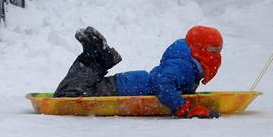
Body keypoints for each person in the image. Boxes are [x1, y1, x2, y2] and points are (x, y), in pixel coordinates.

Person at [53, 25, 223, 119]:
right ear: (198, 48)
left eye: (219, 50)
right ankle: (95, 56)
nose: (217, 55)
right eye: (213, 50)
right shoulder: (184, 65)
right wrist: (184, 108)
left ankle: (96, 56)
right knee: (67, 97)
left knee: (78, 92)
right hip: (126, 89)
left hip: (131, 84)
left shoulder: (186, 62)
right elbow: (162, 83)